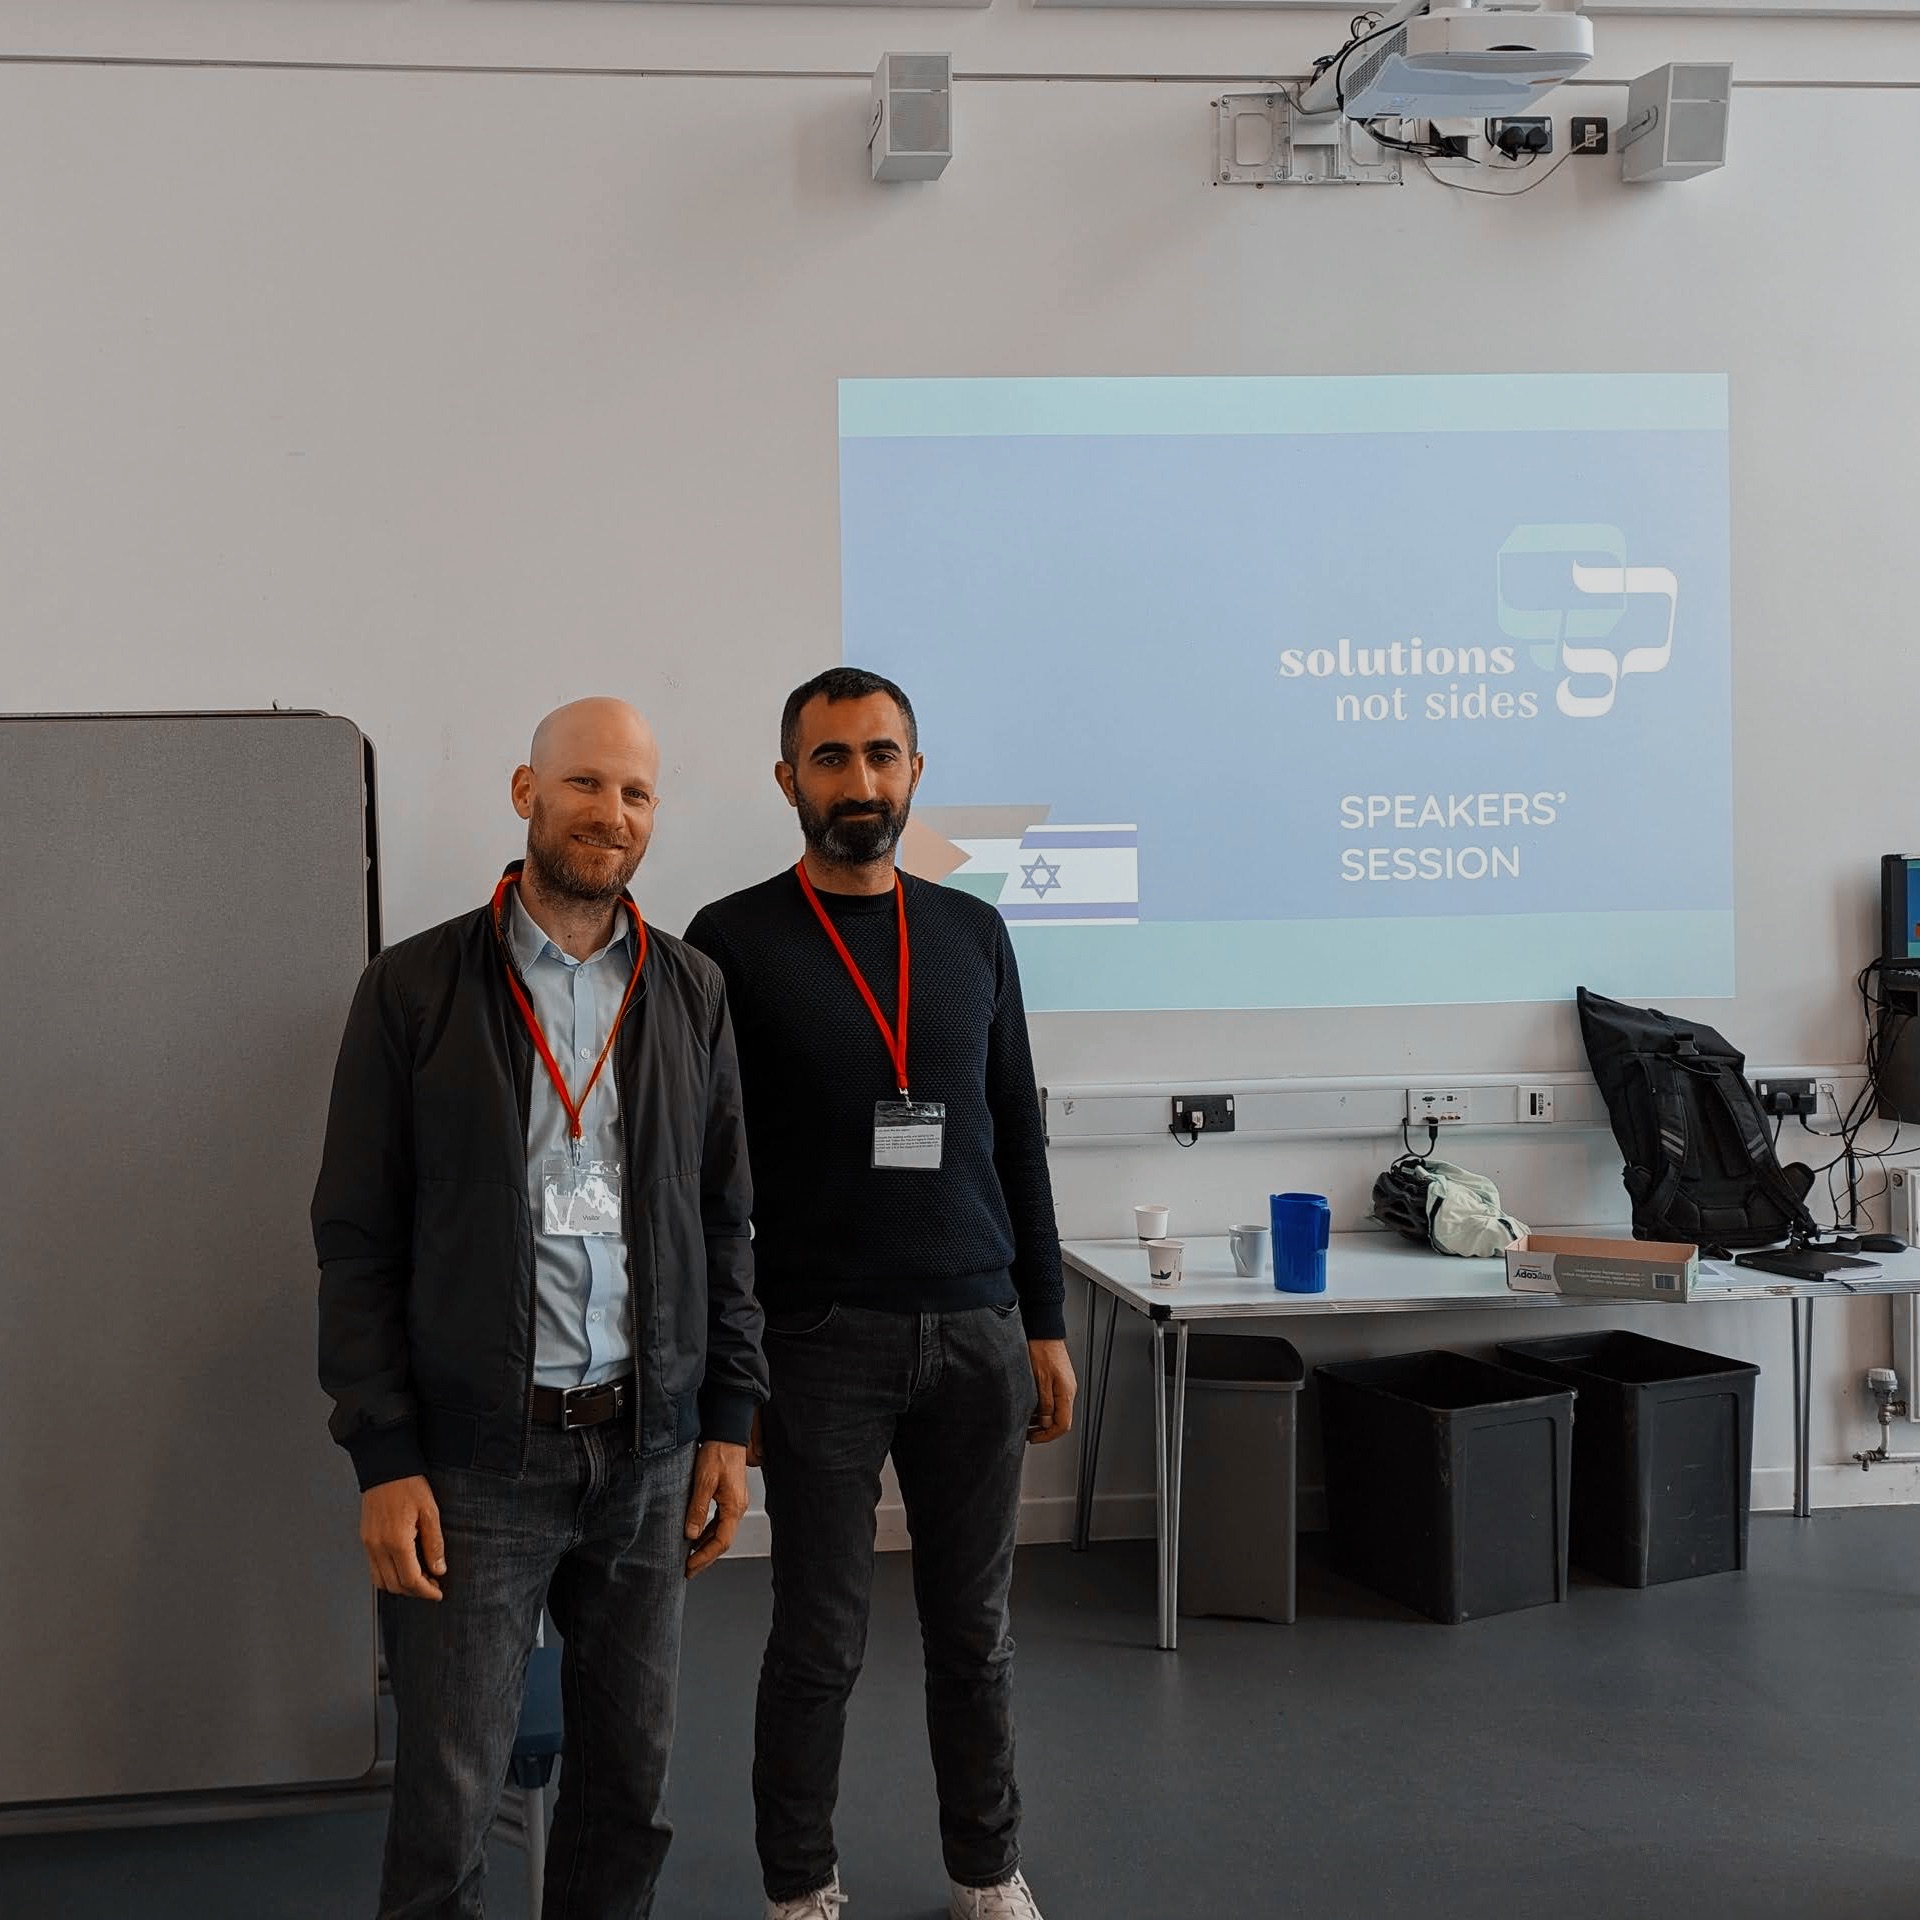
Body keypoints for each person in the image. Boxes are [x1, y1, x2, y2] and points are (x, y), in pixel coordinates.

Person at [313, 697, 766, 1920]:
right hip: (477, 1460)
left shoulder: (693, 992)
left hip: (649, 1450)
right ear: (526, 794)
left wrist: (727, 1418)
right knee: (449, 1799)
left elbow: (725, 1223)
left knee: (633, 1786)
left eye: (635, 794)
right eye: (585, 786)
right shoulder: (411, 989)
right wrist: (385, 1454)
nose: (610, 815)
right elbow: (355, 1239)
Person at [685, 666, 1075, 1920]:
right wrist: (723, 1377)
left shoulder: (971, 934)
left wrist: (1046, 1321)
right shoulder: (732, 941)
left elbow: (1016, 1131)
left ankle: (987, 1870)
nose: (861, 781)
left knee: (977, 1637)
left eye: (884, 756)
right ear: (788, 776)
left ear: (916, 771)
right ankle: (800, 1887)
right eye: (834, 757)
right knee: (819, 1639)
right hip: (816, 1338)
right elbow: (708, 1174)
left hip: (976, 1329)